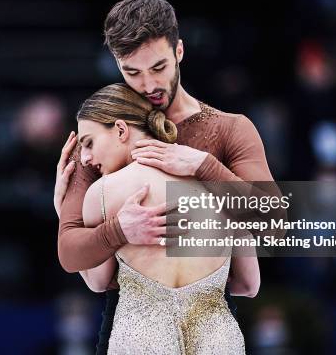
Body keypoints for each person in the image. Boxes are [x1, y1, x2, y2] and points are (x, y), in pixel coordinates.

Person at [55, 0, 278, 353]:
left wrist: (203, 166)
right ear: (116, 64)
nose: (147, 85)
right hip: (130, 324)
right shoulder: (101, 135)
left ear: (179, 51)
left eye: (157, 67)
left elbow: (273, 219)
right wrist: (115, 229)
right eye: (132, 72)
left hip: (211, 319)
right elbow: (70, 251)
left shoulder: (229, 129)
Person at [77, 83, 257, 353]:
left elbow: (98, 281)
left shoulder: (102, 193)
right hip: (218, 338)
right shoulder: (223, 185)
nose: (85, 158)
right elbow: (249, 284)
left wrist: (65, 215)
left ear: (121, 130)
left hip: (142, 338)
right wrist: (204, 286)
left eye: (88, 143)